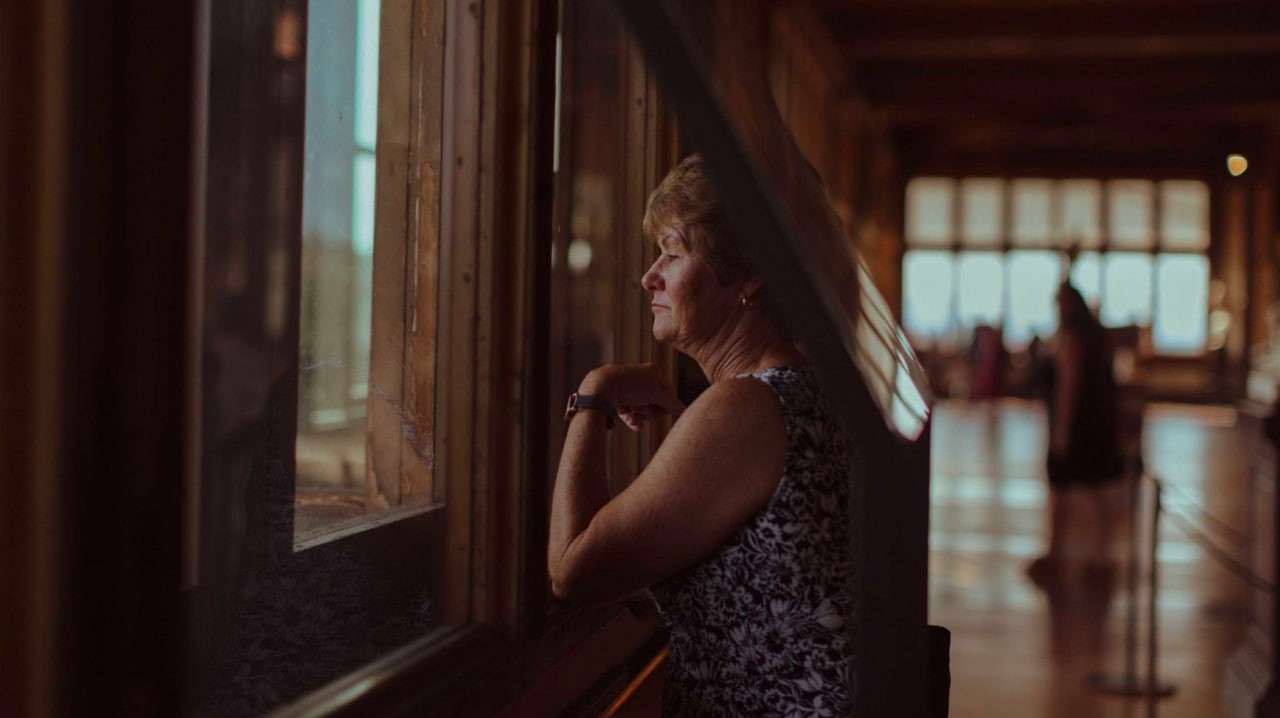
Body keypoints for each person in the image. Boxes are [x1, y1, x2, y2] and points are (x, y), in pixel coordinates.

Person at [547, 155, 856, 716]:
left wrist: (594, 395)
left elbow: (572, 570)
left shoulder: (748, 406)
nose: (649, 276)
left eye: (673, 252)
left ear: (749, 273)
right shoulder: (814, 388)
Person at [1027, 282, 1125, 586]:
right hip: (1097, 426)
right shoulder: (1096, 336)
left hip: (1077, 426)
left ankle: (1062, 554)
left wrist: (1061, 433)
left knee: (1067, 489)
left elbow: (1068, 387)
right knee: (1094, 489)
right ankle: (1099, 555)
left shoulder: (1070, 337)